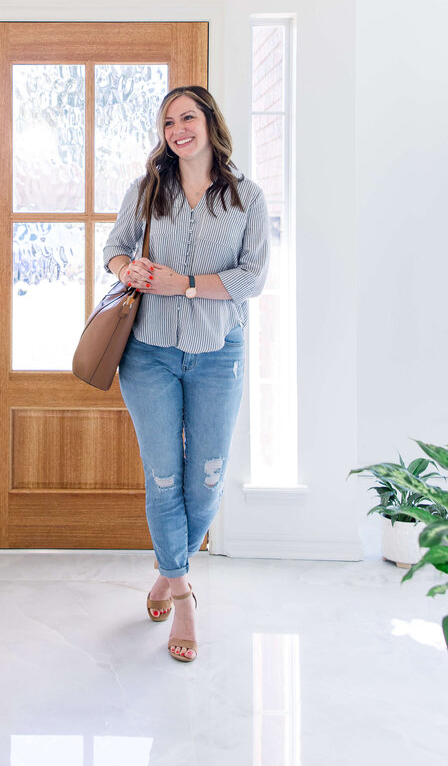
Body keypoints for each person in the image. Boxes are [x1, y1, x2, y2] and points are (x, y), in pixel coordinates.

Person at [103, 85, 270, 663]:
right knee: (163, 479)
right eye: (169, 121)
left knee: (205, 481)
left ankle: (165, 573)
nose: (178, 129)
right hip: (147, 353)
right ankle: (182, 594)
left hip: (217, 351)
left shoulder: (247, 197)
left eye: (188, 117)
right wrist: (135, 267)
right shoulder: (147, 188)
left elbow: (253, 277)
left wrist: (187, 284)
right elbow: (114, 249)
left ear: (209, 122)